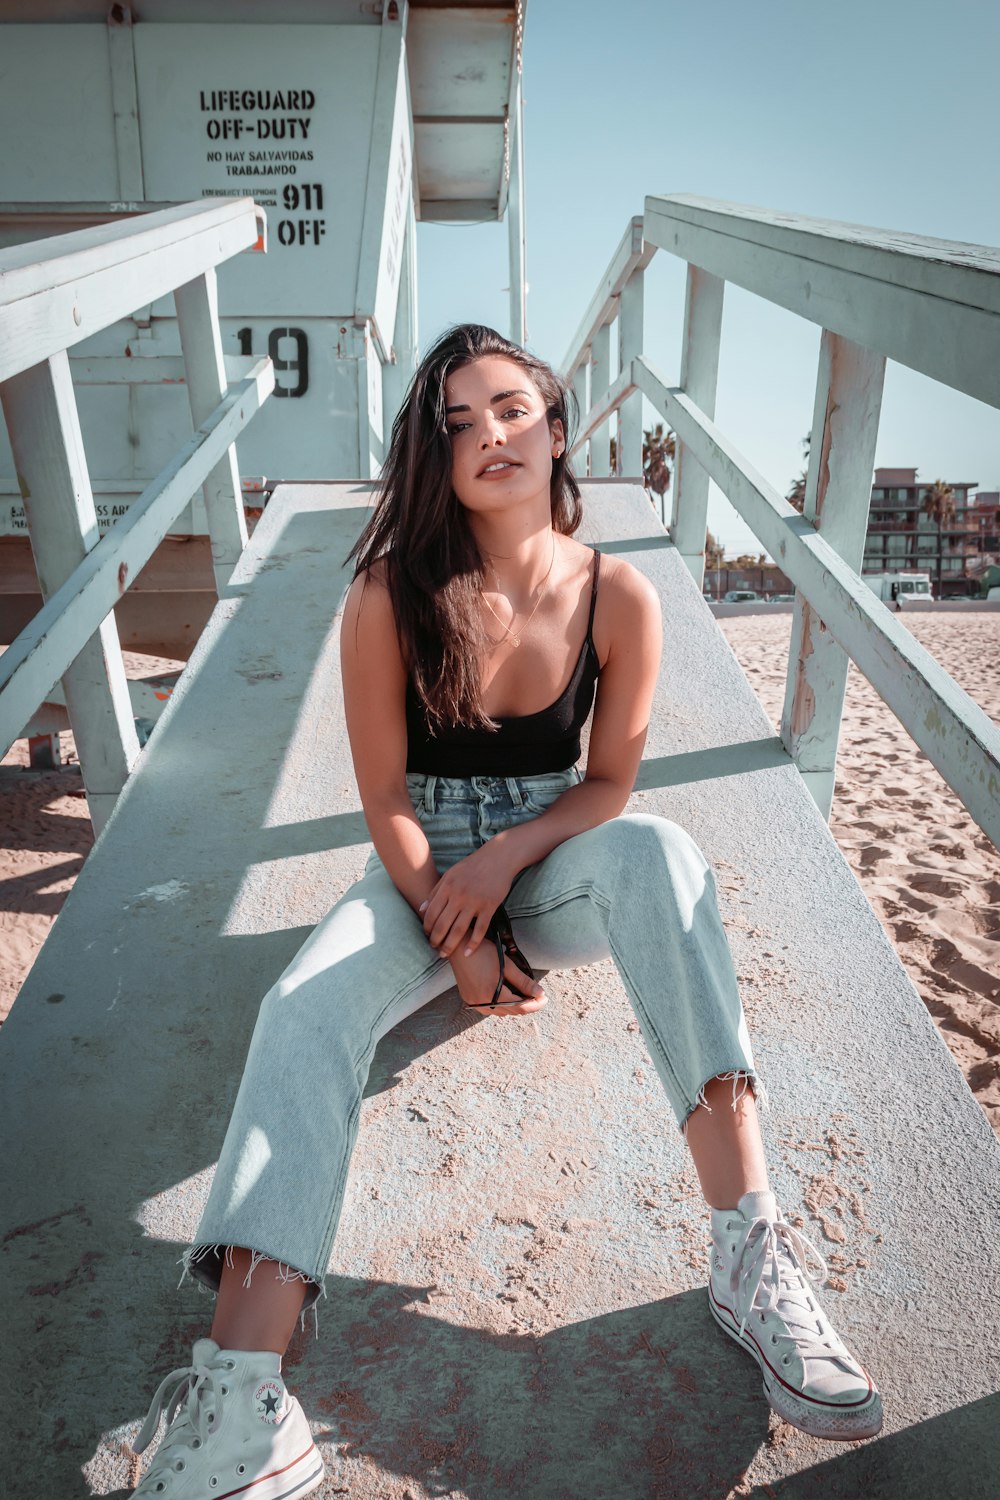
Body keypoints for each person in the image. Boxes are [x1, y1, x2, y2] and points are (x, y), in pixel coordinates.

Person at [128, 325, 882, 1497]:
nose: (490, 434)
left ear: (556, 426)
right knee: (298, 1006)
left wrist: (503, 875)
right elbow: (383, 795)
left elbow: (609, 786)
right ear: (435, 455)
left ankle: (751, 1253)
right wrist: (453, 917)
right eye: (460, 421)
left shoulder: (617, 594)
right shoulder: (389, 592)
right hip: (415, 863)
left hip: (556, 853)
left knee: (664, 858)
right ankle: (243, 1396)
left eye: (512, 409)